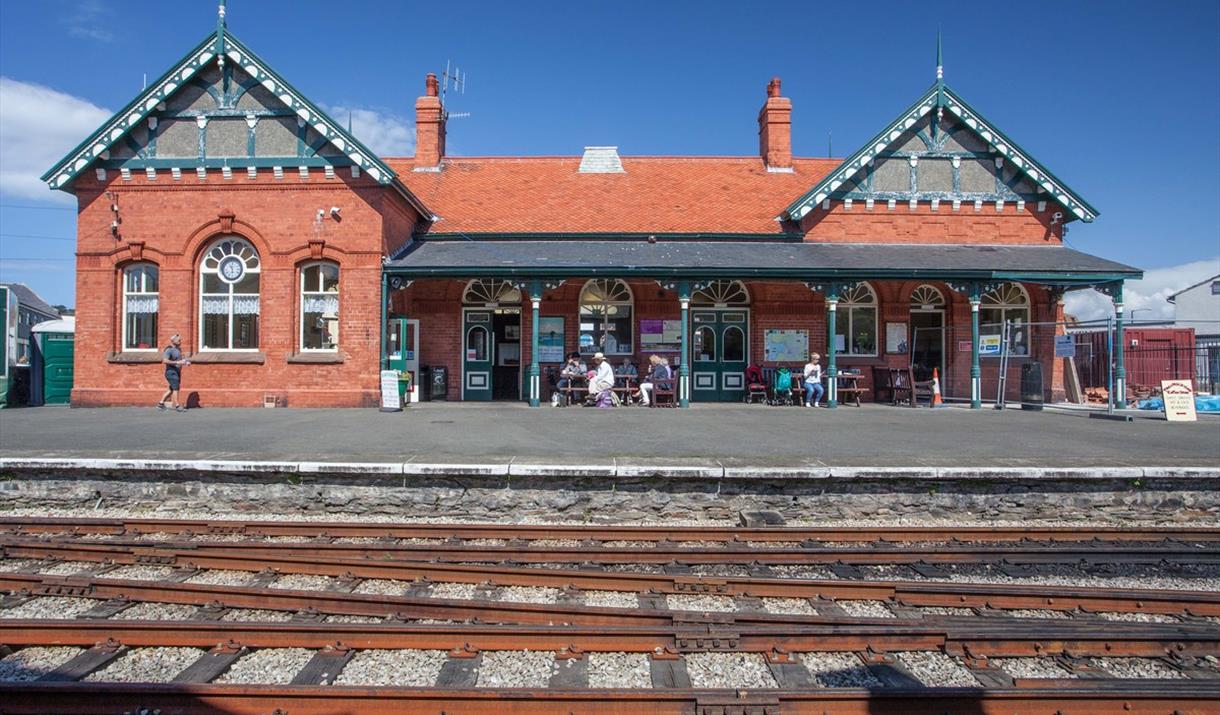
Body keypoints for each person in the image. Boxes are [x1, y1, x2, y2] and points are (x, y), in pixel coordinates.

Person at [157, 333, 188, 412]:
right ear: (173, 341)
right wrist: (177, 363)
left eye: (180, 340)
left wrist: (185, 362)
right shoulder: (169, 350)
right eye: (179, 340)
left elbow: (181, 359)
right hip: (171, 372)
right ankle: (177, 406)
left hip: (177, 372)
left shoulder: (178, 349)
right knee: (176, 388)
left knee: (171, 389)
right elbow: (164, 360)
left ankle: (160, 404)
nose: (180, 341)